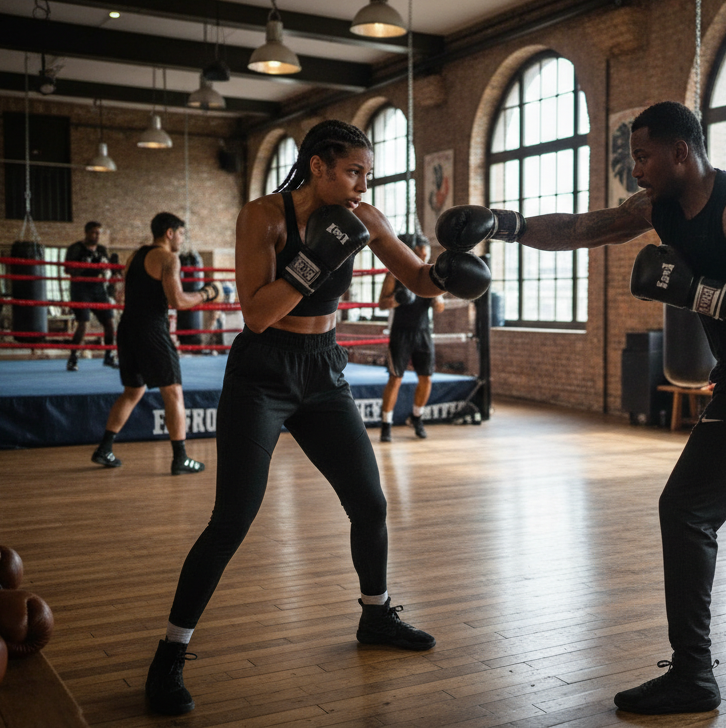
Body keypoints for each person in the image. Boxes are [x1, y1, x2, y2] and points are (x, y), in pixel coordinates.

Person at [432, 101, 726, 715]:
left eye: (644, 157)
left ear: (682, 152)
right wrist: (504, 223)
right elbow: (584, 229)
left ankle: (693, 675)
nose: (637, 170)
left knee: (685, 510)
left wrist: (698, 292)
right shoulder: (660, 207)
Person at [143, 120, 491, 716]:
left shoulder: (366, 217)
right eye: (353, 171)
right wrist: (317, 261)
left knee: (370, 502)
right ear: (318, 165)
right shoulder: (264, 217)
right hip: (263, 373)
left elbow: (414, 278)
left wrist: (452, 269)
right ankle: (170, 654)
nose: (362, 184)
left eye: (369, 174)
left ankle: (376, 614)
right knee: (232, 520)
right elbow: (254, 314)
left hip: (324, 370)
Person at [89, 213, 219, 475]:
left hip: (127, 329)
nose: (182, 239)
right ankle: (180, 457)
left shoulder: (134, 256)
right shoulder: (168, 258)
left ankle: (104, 447)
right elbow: (179, 301)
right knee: (173, 392)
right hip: (151, 331)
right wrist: (208, 293)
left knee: (133, 391)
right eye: (181, 233)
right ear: (169, 233)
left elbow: (123, 293)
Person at [377, 233, 445, 442]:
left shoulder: (432, 275)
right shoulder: (395, 275)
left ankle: (417, 417)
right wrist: (397, 299)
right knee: (395, 377)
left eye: (425, 254)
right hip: (401, 333)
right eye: (419, 254)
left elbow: (440, 307)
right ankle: (386, 424)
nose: (423, 258)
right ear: (412, 252)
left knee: (426, 377)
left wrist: (436, 297)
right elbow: (382, 303)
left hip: (423, 332)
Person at [64, 221, 117, 371]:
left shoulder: (101, 249)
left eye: (99, 233)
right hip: (80, 288)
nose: (97, 236)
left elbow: (108, 270)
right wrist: (83, 266)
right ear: (86, 232)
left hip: (98, 288)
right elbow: (67, 270)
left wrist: (105, 268)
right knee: (84, 323)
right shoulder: (75, 248)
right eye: (94, 232)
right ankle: (73, 359)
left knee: (110, 322)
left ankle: (109, 356)